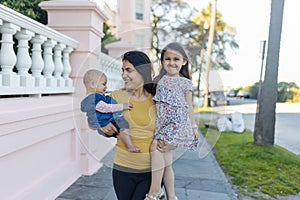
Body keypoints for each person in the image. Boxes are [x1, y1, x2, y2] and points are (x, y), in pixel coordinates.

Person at [100, 50, 171, 200]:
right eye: (123, 70)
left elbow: (172, 130)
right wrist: (102, 128)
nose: (124, 75)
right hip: (122, 170)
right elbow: (98, 119)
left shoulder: (158, 98)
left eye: (128, 70)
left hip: (150, 173)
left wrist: (170, 144)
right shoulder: (116, 97)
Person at [145, 42, 200, 200]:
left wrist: (194, 128)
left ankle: (154, 191)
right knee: (167, 163)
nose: (171, 62)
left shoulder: (185, 82)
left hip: (176, 125)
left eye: (176, 59)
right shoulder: (159, 81)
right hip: (162, 125)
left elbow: (189, 107)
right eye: (167, 59)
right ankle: (172, 197)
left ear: (184, 62)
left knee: (155, 148)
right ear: (162, 61)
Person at [80, 69, 141, 153]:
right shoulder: (95, 98)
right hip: (107, 120)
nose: (106, 87)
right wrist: (122, 106)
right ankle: (130, 145)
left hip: (106, 121)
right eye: (103, 84)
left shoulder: (91, 99)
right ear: (93, 84)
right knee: (124, 125)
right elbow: (105, 108)